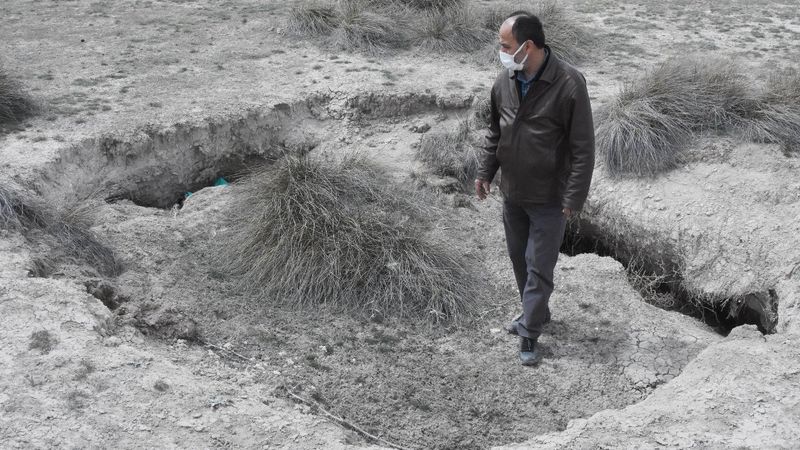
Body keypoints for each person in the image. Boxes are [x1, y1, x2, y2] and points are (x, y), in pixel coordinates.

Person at [475, 12, 595, 366]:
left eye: (505, 46)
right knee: (519, 260)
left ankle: (529, 332)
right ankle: (537, 312)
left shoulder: (569, 83)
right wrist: (485, 172)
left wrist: (573, 196)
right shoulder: (504, 81)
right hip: (512, 193)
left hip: (549, 198)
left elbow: (583, 148)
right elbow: (496, 132)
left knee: (538, 266)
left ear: (527, 46)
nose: (501, 52)